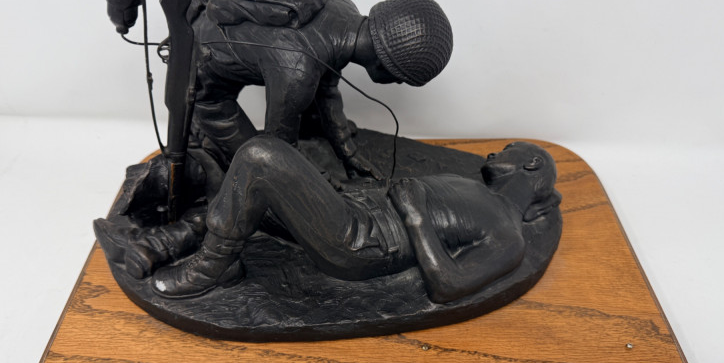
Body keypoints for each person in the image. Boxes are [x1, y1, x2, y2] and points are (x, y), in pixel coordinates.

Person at [146, 137, 561, 303]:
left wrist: (415, 215)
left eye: (508, 150)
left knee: (260, 157)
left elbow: (449, 286)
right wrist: (338, 192)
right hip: (354, 213)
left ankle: (212, 267)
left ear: (531, 164)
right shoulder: (473, 188)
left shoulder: (509, 236)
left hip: (363, 243)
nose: (493, 153)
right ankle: (188, 243)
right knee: (223, 166)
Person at [188, 0, 453, 178]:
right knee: (260, 166)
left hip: (231, 45)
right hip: (204, 82)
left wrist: (348, 153)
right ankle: (208, 142)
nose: (397, 83)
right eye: (399, 78)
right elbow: (278, 148)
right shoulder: (299, 71)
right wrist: (314, 180)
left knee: (305, 105)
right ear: (385, 67)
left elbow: (327, 90)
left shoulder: (344, 9)